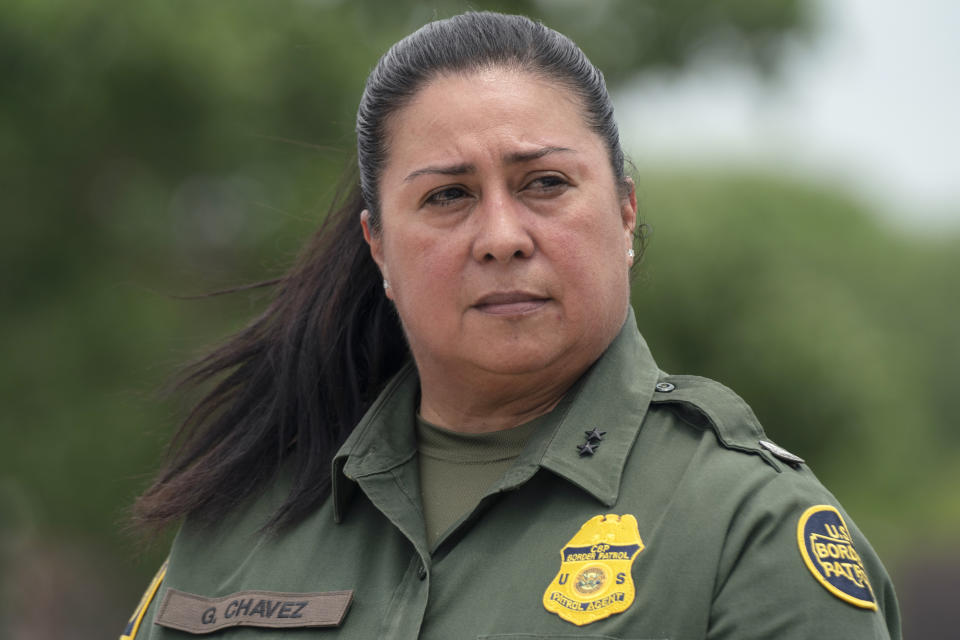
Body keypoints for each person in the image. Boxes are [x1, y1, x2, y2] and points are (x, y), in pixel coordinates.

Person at [122, 12, 901, 640]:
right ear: (379, 248)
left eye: (545, 183)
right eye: (448, 197)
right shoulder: (239, 528)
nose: (501, 234)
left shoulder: (748, 533)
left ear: (625, 211)